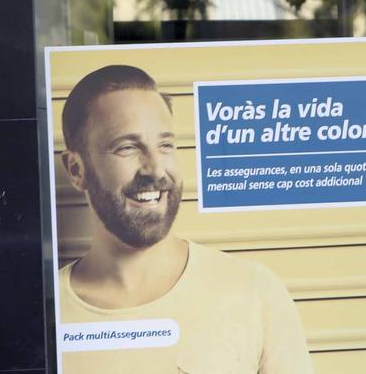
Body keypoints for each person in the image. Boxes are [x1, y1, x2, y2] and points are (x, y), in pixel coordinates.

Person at [57, 65, 312, 373]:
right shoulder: (46, 315)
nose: (154, 169)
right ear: (76, 170)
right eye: (127, 147)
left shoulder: (253, 291)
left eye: (165, 145)